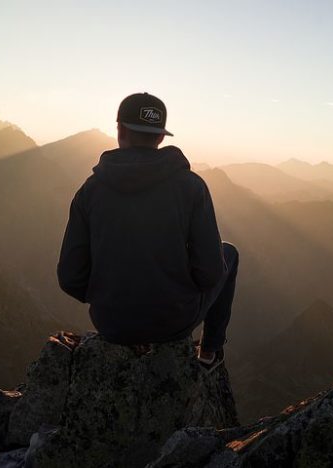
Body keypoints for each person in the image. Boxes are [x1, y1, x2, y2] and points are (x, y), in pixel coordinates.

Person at [57, 92, 239, 371]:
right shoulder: (191, 188)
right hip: (173, 323)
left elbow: (71, 278)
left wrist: (110, 295)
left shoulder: (90, 191)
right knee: (229, 253)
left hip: (111, 324)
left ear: (120, 130)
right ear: (161, 137)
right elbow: (211, 273)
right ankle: (209, 353)